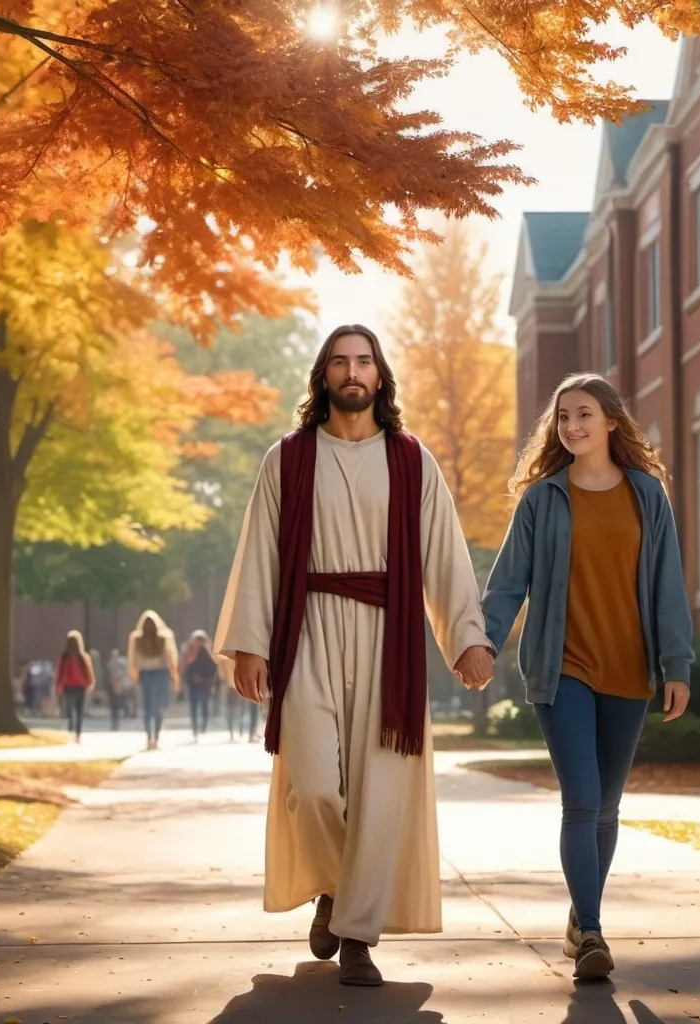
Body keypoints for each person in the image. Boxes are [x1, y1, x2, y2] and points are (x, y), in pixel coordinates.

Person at [215, 324, 493, 987]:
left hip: (385, 636)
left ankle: (358, 936)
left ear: (380, 375)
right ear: (323, 376)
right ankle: (336, 891)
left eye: (363, 360)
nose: (352, 371)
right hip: (307, 628)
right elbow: (261, 552)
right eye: (340, 360)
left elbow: (444, 553)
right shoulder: (287, 457)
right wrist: (251, 642)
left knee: (378, 792)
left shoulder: (411, 459)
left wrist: (467, 636)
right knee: (312, 787)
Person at [481, 372, 693, 982]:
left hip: (630, 667)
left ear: (610, 422)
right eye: (563, 417)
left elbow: (667, 587)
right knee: (582, 798)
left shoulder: (647, 495)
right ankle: (594, 934)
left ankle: (581, 916)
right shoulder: (542, 500)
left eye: (583, 415)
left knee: (606, 807)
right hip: (562, 667)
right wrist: (483, 644)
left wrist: (676, 664)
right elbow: (506, 585)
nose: (571, 426)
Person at [129, 610, 180, 750]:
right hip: (161, 674)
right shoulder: (164, 638)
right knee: (158, 707)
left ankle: (148, 737)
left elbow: (134, 660)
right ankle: (155, 737)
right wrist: (175, 677)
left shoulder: (137, 639)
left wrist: (134, 676)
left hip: (145, 674)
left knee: (147, 707)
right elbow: (170, 659)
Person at [55, 630, 95, 742]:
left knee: (70, 710)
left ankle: (70, 731)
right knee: (78, 711)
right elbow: (88, 672)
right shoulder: (82, 657)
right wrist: (89, 683)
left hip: (68, 686)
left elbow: (60, 672)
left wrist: (58, 686)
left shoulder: (65, 657)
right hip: (79, 687)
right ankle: (77, 733)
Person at [183, 630, 217, 742]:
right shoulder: (189, 651)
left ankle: (203, 727)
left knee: (204, 706)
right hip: (192, 683)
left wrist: (206, 678)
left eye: (200, 640)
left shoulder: (208, 652)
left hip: (204, 683)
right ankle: (194, 729)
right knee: (193, 707)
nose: (198, 643)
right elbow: (186, 667)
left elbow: (213, 667)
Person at [106, 647, 130, 731]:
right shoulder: (115, 664)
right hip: (116, 687)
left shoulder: (113, 664)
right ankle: (115, 723)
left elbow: (114, 677)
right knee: (115, 706)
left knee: (115, 706)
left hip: (116, 687)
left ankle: (115, 724)